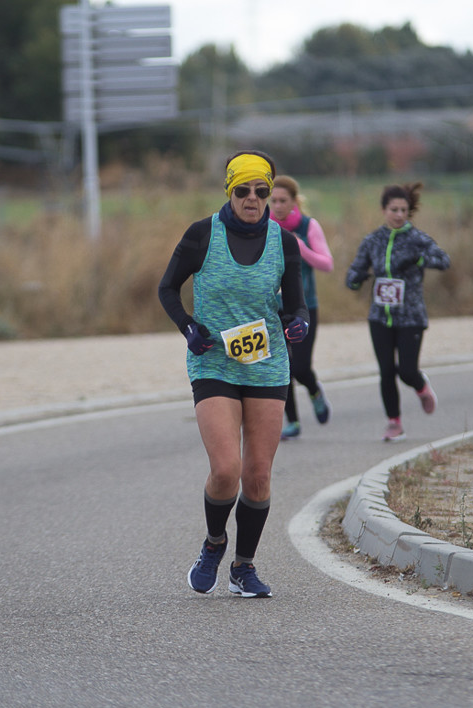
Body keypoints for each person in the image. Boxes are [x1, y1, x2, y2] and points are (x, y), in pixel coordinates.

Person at [158, 150, 309, 598]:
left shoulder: (284, 242)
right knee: (226, 469)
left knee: (258, 475)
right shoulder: (203, 234)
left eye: (262, 191)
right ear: (230, 191)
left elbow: (296, 303)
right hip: (215, 361)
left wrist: (298, 322)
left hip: (267, 364)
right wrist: (188, 327)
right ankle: (213, 543)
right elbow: (167, 287)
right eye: (243, 190)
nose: (253, 198)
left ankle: (243, 567)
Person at [345, 182, 449, 442]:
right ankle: (394, 422)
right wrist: (356, 278)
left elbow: (443, 260)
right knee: (386, 372)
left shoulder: (417, 239)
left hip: (410, 317)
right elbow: (354, 272)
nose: (399, 214)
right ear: (384, 210)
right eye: (394, 209)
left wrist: (418, 259)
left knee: (406, 370)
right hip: (380, 317)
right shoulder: (372, 241)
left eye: (403, 210)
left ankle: (421, 386)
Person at [269, 174, 334, 440]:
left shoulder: (309, 226)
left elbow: (327, 264)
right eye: (272, 200)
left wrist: (301, 248)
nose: (277, 206)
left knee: (301, 367)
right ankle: (292, 422)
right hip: (274, 310)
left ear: (295, 201)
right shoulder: (264, 227)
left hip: (305, 307)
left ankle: (315, 390)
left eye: (283, 200)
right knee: (282, 368)